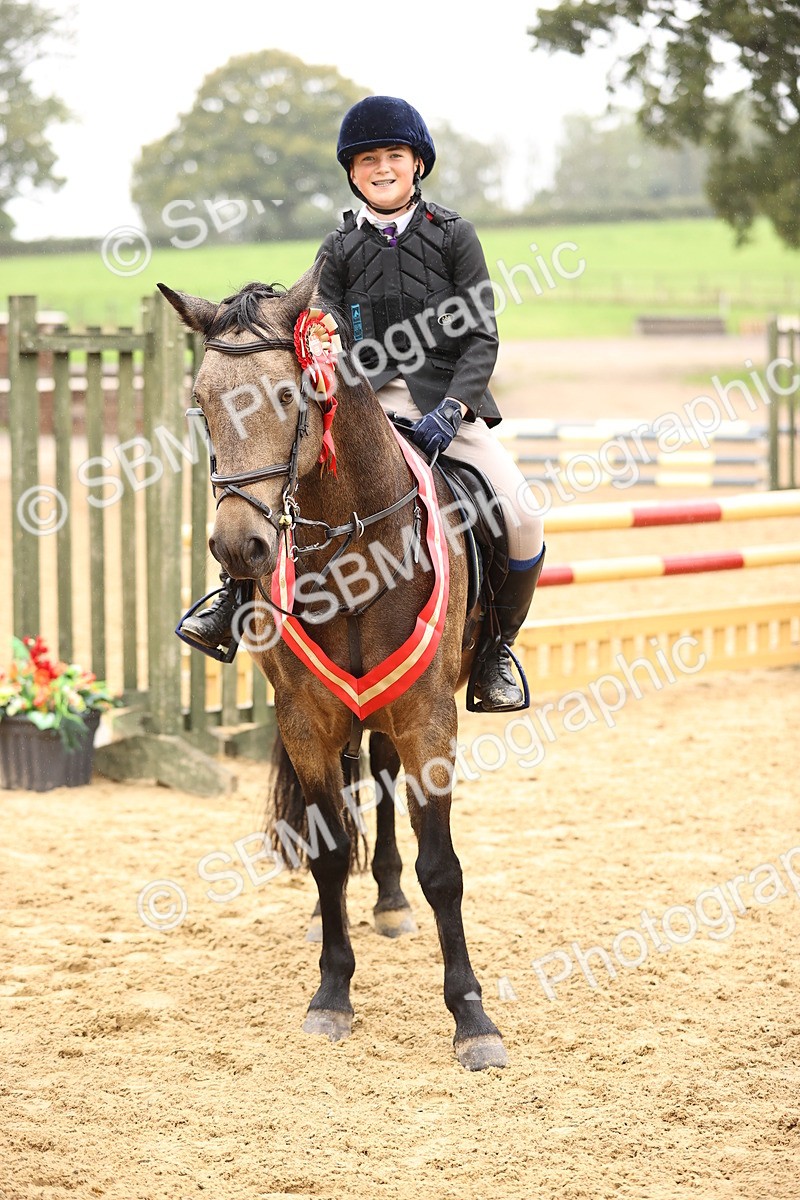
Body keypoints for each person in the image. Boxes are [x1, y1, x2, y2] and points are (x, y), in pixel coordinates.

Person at [181, 95, 545, 711]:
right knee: (274, 487)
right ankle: (234, 598)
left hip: (445, 408)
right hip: (359, 408)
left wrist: (453, 411)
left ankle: (494, 653)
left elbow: (482, 334)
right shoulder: (339, 247)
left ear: (418, 164)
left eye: (394, 156)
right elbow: (321, 327)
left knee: (523, 509)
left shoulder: (455, 235)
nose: (382, 168)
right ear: (352, 172)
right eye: (368, 159)